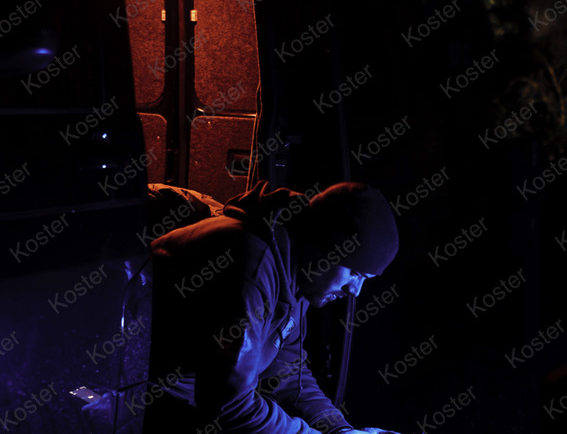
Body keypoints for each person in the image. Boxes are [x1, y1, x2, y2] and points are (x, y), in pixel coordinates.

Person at [144, 180, 401, 434]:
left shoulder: (295, 273)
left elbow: (288, 370)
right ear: (324, 248)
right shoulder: (250, 265)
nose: (354, 291)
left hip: (183, 401)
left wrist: (339, 429)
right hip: (141, 399)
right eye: (355, 273)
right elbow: (229, 405)